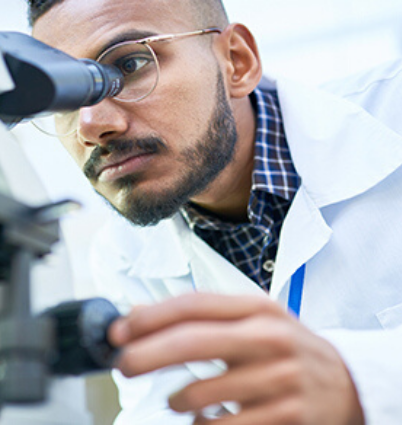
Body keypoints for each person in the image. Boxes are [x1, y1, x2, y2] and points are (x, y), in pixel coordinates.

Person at [27, 1, 402, 424]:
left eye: (129, 65)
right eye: (65, 96)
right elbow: (158, 412)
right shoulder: (123, 257)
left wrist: (362, 383)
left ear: (236, 62)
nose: (91, 125)